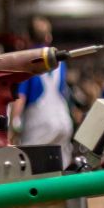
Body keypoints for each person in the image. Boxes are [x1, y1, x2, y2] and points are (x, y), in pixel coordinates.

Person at [12, 15, 76, 149]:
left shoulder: (28, 61)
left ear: (27, 37)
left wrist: (12, 125)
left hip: (40, 124)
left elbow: (21, 98)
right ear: (49, 37)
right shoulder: (59, 62)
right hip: (63, 122)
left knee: (32, 164)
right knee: (60, 167)